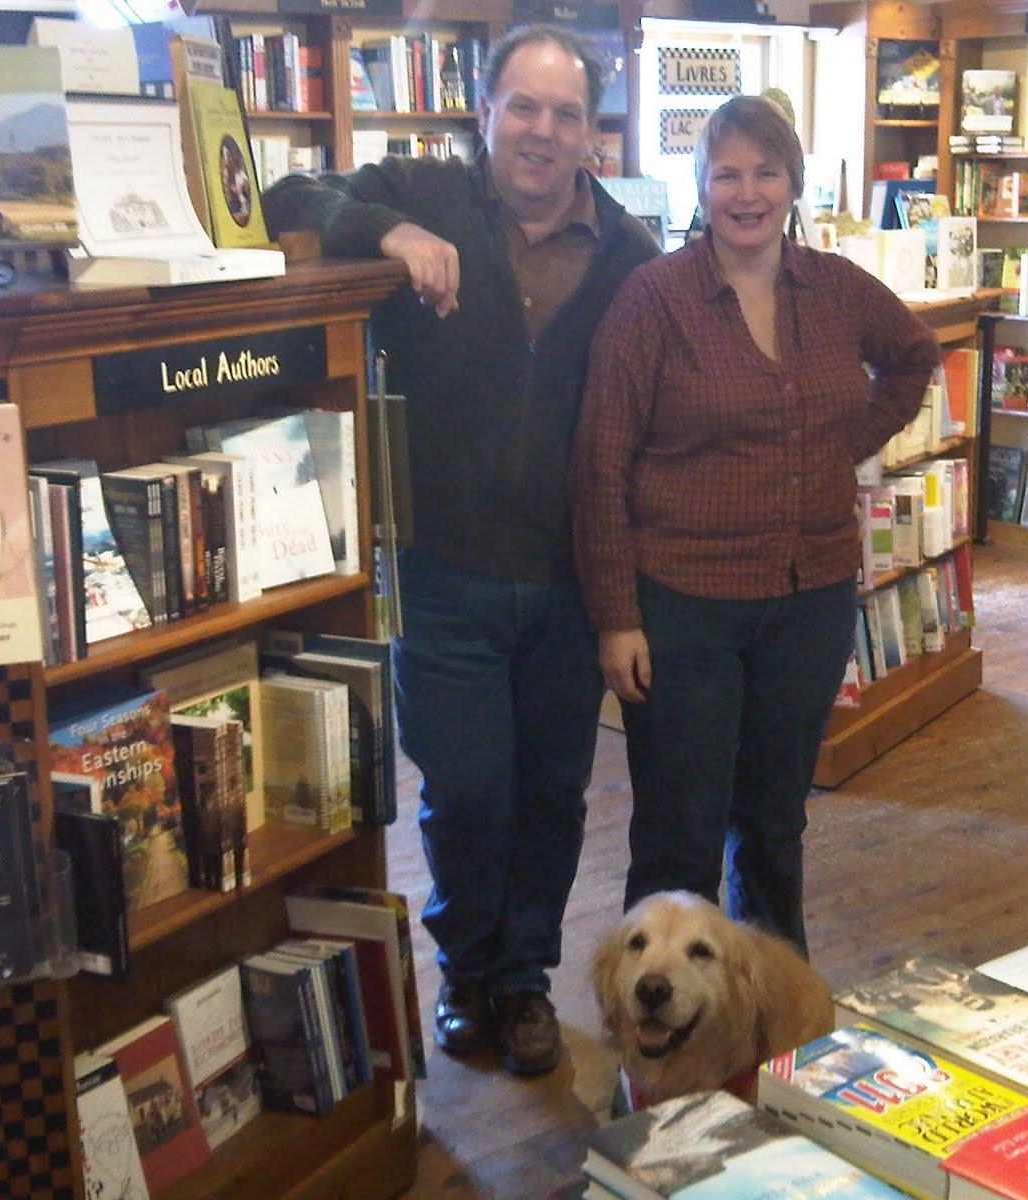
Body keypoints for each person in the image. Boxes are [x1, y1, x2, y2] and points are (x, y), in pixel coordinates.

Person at [261, 25, 658, 1076]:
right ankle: (465, 969)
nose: (541, 131)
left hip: (570, 585)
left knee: (548, 798)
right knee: (466, 790)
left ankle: (521, 981)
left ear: (590, 134)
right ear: (483, 111)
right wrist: (385, 232)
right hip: (442, 572)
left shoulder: (628, 255)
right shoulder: (422, 195)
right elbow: (283, 200)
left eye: (565, 114)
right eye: (523, 107)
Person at [569, 95, 941, 955]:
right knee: (679, 836)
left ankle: (773, 1012)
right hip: (681, 607)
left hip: (808, 601)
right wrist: (617, 617)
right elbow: (599, 464)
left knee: (775, 822)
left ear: (793, 182)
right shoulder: (653, 300)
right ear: (700, 186)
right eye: (727, 172)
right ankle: (658, 1038)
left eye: (765, 171)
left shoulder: (836, 288)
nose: (747, 191)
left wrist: (843, 440)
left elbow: (914, 355)